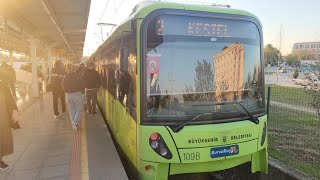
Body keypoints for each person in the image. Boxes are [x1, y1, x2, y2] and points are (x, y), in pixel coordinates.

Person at [0, 71, 18, 170]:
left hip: (2, 116)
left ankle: (0, 160)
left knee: (2, 137)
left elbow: (9, 99)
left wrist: (14, 110)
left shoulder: (2, 84)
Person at [63, 64, 84, 130]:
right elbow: (82, 84)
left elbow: (63, 86)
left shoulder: (65, 77)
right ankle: (75, 122)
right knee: (79, 110)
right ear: (74, 68)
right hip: (77, 94)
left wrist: (67, 90)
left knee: (71, 110)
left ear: (67, 69)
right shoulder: (77, 75)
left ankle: (74, 125)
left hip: (68, 95)